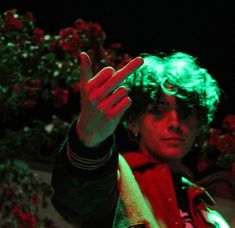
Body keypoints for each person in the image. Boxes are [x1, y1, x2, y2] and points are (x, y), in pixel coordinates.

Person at [51, 51, 230, 227]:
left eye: (185, 112)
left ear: (199, 123)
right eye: (158, 111)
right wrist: (88, 144)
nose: (175, 122)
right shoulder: (114, 180)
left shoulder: (209, 216)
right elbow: (80, 202)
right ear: (134, 122)